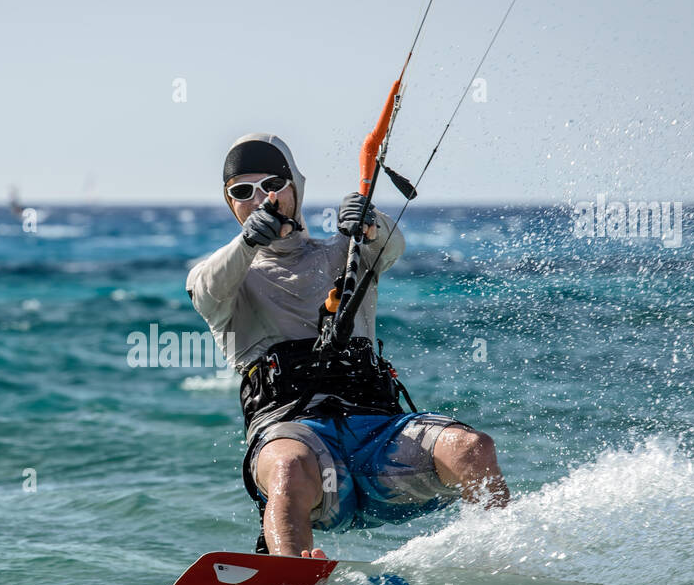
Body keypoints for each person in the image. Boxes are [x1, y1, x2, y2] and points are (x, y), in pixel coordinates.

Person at [186, 133, 509, 560]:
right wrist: (249, 242)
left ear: (295, 187)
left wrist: (371, 221)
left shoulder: (348, 252)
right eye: (243, 192)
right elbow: (205, 287)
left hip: (379, 444)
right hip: (300, 445)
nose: (261, 199)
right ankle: (290, 581)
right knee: (287, 468)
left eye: (272, 185)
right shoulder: (223, 278)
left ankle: (505, 559)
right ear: (231, 204)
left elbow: (391, 247)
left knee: (473, 448)